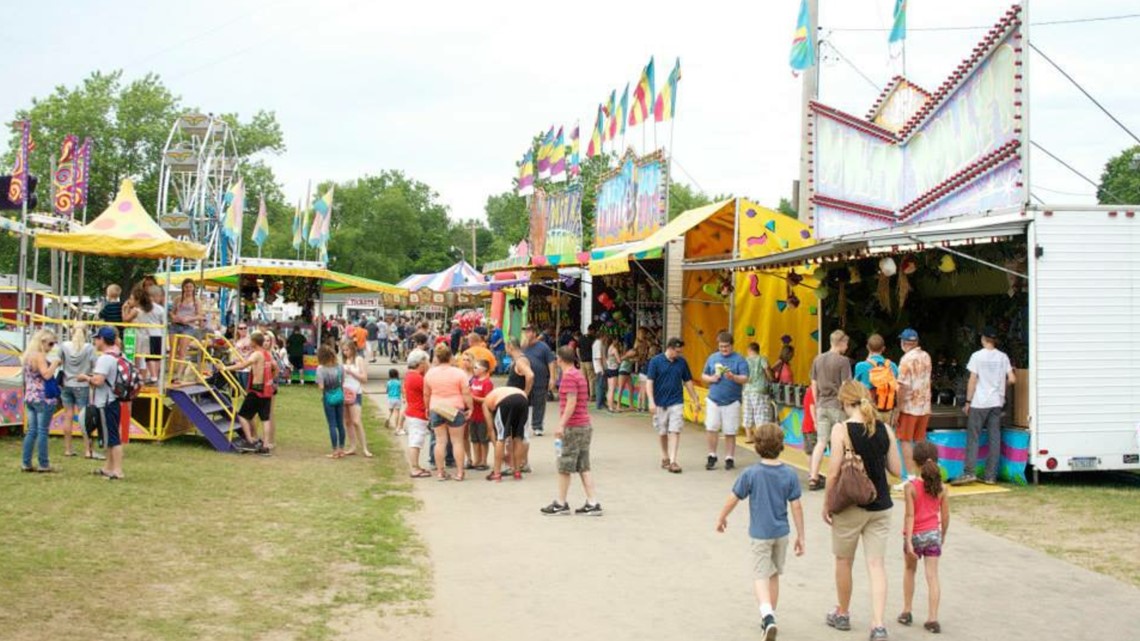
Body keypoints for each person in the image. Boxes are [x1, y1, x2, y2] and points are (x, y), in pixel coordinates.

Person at [823, 381, 903, 640]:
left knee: (844, 561)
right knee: (876, 564)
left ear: (846, 402)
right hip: (881, 505)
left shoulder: (841, 430)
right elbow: (896, 469)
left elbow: (834, 472)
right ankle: (878, 624)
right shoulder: (884, 428)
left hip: (850, 506)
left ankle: (843, 612)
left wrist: (827, 503)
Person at [715, 423, 805, 641]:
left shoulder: (751, 473)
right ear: (781, 446)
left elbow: (733, 497)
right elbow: (796, 506)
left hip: (760, 534)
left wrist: (722, 517)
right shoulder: (789, 474)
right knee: (773, 574)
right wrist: (801, 535)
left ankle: (767, 617)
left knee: (759, 575)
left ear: (756, 445)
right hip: (781, 533)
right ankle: (770, 616)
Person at [540, 346, 602, 516]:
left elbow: (571, 402)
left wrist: (561, 424)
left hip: (573, 426)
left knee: (564, 465)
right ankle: (592, 502)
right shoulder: (578, 374)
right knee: (584, 466)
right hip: (584, 425)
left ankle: (560, 503)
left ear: (560, 359)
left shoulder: (568, 377)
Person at [898, 441, 950, 635]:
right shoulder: (942, 488)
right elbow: (945, 516)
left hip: (915, 535)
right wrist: (942, 535)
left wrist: (909, 540)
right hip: (933, 535)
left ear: (914, 462)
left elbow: (909, 515)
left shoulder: (910, 487)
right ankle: (933, 618)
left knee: (910, 570)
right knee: (932, 576)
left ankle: (907, 610)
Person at [961, 326, 1016, 485]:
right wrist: (1001, 386)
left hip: (979, 401)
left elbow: (972, 380)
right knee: (994, 437)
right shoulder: (1003, 357)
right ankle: (990, 476)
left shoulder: (976, 356)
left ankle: (969, 472)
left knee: (974, 437)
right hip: (996, 402)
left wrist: (968, 401)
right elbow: (1012, 379)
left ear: (983, 339)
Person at [645, 337, 699, 474]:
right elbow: (649, 382)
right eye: (677, 351)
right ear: (669, 348)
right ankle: (665, 456)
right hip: (660, 402)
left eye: (680, 352)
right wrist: (651, 400)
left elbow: (688, 381)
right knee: (662, 431)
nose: (679, 354)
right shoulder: (655, 361)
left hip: (676, 402)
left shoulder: (682, 362)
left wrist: (695, 399)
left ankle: (674, 460)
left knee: (675, 430)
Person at [809, 329, 852, 491]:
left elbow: (813, 383)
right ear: (840, 343)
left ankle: (813, 476)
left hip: (822, 405)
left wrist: (817, 402)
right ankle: (838, 478)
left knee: (821, 442)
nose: (847, 347)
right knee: (839, 443)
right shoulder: (843, 361)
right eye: (846, 343)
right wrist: (846, 407)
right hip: (837, 406)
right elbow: (845, 386)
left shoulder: (818, 359)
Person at [81, 327, 126, 479]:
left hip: (106, 402)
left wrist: (86, 378)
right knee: (108, 437)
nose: (95, 341)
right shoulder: (118, 354)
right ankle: (108, 467)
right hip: (113, 400)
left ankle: (117, 470)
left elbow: (99, 381)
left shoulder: (105, 358)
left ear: (102, 340)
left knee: (113, 438)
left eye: (97, 338)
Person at [701, 331, 750, 471]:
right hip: (713, 399)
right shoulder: (712, 358)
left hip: (732, 400)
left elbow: (745, 378)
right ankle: (712, 454)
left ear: (732, 346)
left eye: (726, 346)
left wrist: (733, 377)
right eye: (721, 346)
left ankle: (729, 457)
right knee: (711, 427)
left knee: (730, 430)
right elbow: (703, 374)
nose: (723, 349)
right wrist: (711, 379)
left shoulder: (739, 359)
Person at [424, 344, 472, 481]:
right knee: (457, 442)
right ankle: (460, 472)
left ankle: (440, 472)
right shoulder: (459, 373)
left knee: (440, 442)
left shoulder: (430, 373)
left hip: (437, 407)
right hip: (455, 407)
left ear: (437, 358)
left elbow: (426, 394)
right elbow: (466, 393)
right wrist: (470, 407)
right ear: (450, 357)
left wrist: (427, 408)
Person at [224, 332, 277, 453]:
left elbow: (243, 365)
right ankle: (265, 445)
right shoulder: (267, 354)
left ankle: (249, 440)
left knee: (242, 415)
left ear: (254, 342)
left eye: (250, 340)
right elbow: (275, 368)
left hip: (257, 389)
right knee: (265, 418)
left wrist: (226, 368)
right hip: (267, 389)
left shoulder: (257, 354)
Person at [20, 330, 62, 474]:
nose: (51, 347)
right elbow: (46, 374)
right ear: (42, 342)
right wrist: (55, 363)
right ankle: (44, 463)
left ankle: (26, 462)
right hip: (43, 398)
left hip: (30, 397)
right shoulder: (39, 356)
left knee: (32, 431)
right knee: (42, 431)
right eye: (50, 343)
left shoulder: (27, 356)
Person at [896, 328, 933, 488]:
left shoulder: (906, 360)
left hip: (909, 406)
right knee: (919, 442)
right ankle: (923, 475)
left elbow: (902, 386)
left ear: (904, 344)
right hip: (924, 406)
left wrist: (898, 407)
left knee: (905, 440)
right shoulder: (926, 356)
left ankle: (910, 477)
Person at [60, 324, 100, 460]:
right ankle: (88, 450)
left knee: (68, 416)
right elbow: (96, 364)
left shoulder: (64, 346)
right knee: (84, 418)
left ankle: (67, 449)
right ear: (86, 332)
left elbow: (59, 361)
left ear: (71, 331)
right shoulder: (89, 348)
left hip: (66, 383)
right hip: (82, 385)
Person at [483, 385, 528, 481]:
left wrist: (500, 451)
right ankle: (517, 472)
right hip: (523, 399)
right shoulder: (501, 391)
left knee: (500, 437)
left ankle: (497, 473)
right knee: (518, 436)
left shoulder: (486, 403)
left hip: (505, 402)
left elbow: (491, 429)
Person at [504, 339, 534, 475]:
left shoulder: (520, 361)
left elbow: (530, 375)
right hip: (518, 402)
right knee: (520, 433)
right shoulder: (519, 360)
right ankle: (522, 462)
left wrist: (525, 393)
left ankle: (519, 463)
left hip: (519, 403)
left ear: (510, 347)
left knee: (519, 434)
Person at [853, 333, 899, 422]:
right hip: (886, 407)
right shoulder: (892, 366)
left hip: (867, 407)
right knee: (884, 433)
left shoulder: (860, 366)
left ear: (867, 347)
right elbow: (895, 385)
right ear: (883, 348)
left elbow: (855, 385)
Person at [522, 325, 557, 437]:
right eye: (525, 332)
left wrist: (552, 378)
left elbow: (551, 362)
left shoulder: (543, 347)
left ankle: (537, 426)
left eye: (528, 332)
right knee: (523, 403)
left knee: (539, 403)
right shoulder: (523, 347)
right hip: (525, 380)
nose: (526, 334)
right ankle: (522, 425)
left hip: (540, 380)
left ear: (534, 333)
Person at [404, 349, 432, 478]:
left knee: (416, 440)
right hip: (417, 413)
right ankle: (414, 467)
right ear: (420, 362)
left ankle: (416, 466)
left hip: (413, 412)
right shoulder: (418, 378)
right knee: (416, 441)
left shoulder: (410, 375)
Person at [341, 340, 371, 458]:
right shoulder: (343, 361)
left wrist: (351, 373)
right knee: (347, 421)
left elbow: (364, 378)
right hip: (344, 392)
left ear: (352, 349)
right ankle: (352, 446)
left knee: (356, 421)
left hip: (355, 392)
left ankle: (364, 447)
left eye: (347, 350)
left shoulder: (358, 360)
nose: (345, 353)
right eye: (343, 350)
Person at [316, 345, 347, 459]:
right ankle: (342, 449)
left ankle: (334, 450)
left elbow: (321, 386)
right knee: (340, 424)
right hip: (339, 395)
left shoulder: (321, 369)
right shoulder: (340, 367)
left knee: (332, 424)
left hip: (328, 397)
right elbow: (342, 382)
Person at [742, 342, 774, 445]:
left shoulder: (745, 360)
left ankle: (748, 437)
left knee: (748, 412)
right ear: (758, 350)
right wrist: (771, 378)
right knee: (760, 414)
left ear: (749, 350)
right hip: (759, 390)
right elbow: (767, 370)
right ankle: (760, 439)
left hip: (747, 390)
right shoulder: (761, 359)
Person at [170, 279, 203, 374]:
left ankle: (179, 373)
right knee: (173, 350)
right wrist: (174, 317)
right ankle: (171, 370)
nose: (188, 289)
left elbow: (200, 315)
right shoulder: (178, 299)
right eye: (186, 287)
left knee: (182, 351)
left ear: (193, 288)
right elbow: (172, 312)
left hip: (188, 326)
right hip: (176, 325)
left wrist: (189, 318)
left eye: (190, 287)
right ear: (183, 288)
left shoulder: (196, 300)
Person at [468, 359, 494, 471]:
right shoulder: (474, 381)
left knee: (483, 439)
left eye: (476, 368)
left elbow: (488, 399)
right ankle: (476, 459)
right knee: (474, 439)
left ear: (484, 370)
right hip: (473, 414)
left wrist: (474, 398)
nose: (474, 370)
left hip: (483, 415)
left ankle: (484, 460)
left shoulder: (487, 382)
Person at [578, 324, 596, 402]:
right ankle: (592, 396)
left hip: (582, 361)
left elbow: (577, 349)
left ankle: (584, 395)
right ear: (591, 330)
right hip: (589, 361)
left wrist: (579, 358)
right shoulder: (592, 339)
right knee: (591, 379)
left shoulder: (581, 338)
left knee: (584, 379)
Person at [591, 325, 607, 409]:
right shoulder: (598, 344)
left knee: (601, 385)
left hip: (599, 367)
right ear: (602, 336)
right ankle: (599, 403)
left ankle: (601, 402)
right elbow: (598, 357)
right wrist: (602, 368)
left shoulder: (598, 343)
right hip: (599, 368)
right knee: (600, 385)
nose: (606, 338)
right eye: (605, 336)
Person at [605, 336, 621, 412]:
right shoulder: (614, 349)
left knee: (609, 389)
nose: (617, 341)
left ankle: (609, 405)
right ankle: (611, 407)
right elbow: (619, 360)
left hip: (608, 369)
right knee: (612, 389)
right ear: (614, 340)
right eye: (617, 340)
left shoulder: (608, 348)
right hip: (614, 370)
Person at [387, 368, 405, 434]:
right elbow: (401, 390)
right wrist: (404, 397)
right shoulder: (398, 382)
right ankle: (396, 425)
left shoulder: (388, 382)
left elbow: (387, 390)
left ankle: (388, 418)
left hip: (390, 398)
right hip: (397, 398)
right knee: (397, 412)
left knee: (390, 411)